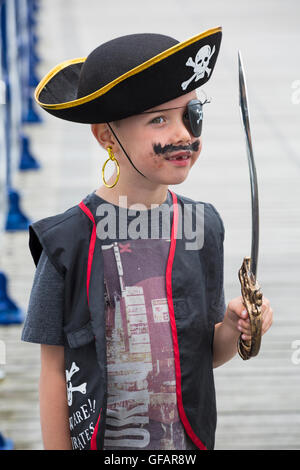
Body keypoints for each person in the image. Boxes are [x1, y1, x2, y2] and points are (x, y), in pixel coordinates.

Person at [21, 27, 273, 451]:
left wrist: (235, 327)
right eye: (159, 119)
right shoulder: (65, 242)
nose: (182, 135)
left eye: (190, 115)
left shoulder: (203, 226)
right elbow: (53, 371)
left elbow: (202, 354)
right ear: (106, 135)